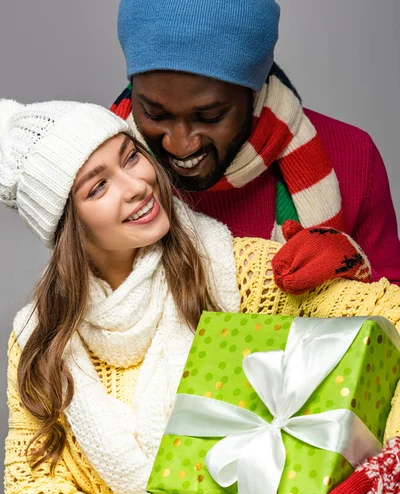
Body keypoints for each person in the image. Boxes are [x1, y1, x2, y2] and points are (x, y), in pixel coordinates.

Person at [0, 99, 399, 494]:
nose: (136, 185)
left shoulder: (238, 271)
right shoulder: (39, 342)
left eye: (130, 157)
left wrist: (393, 468)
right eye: (98, 186)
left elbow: (389, 319)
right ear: (68, 226)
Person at [111, 0, 400, 286]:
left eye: (210, 116)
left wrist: (354, 271)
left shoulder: (353, 156)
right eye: (154, 114)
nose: (179, 145)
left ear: (254, 93)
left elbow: (394, 315)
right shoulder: (91, 166)